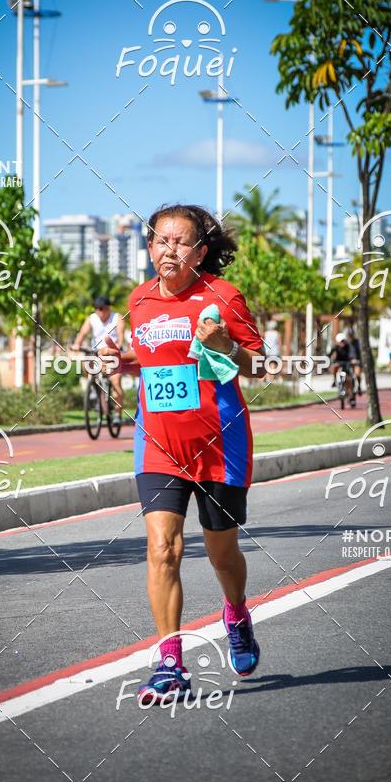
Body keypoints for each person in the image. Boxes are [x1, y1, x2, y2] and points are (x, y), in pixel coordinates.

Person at [99, 204, 266, 704]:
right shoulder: (141, 300)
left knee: (221, 554)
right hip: (159, 445)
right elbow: (154, 363)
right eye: (158, 241)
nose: (166, 249)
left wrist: (227, 347)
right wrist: (121, 364)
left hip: (220, 445)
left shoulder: (223, 297)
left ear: (201, 250)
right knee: (162, 548)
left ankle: (235, 612)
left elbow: (259, 366)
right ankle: (170, 662)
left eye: (179, 242)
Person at [72, 296, 125, 424]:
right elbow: (82, 333)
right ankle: (94, 387)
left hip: (112, 352)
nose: (98, 311)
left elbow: (121, 338)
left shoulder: (117, 318)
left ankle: (118, 414)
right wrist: (77, 344)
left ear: (108, 308)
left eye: (100, 309)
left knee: (116, 382)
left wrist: (118, 346)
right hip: (97, 352)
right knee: (87, 364)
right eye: (95, 308)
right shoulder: (91, 318)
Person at [330, 332, 355, 405]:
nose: (342, 343)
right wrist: (326, 360)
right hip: (338, 362)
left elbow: (352, 353)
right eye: (341, 342)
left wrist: (353, 359)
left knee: (348, 380)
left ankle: (351, 397)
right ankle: (334, 381)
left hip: (347, 363)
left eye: (343, 341)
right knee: (335, 367)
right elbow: (329, 354)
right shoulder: (336, 347)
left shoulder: (348, 346)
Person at [345, 327, 362, 394]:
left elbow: (361, 353)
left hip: (357, 361)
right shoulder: (346, 342)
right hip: (348, 362)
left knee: (357, 374)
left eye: (351, 336)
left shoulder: (358, 343)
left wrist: (357, 360)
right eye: (349, 336)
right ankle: (347, 390)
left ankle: (359, 386)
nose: (350, 337)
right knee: (345, 376)